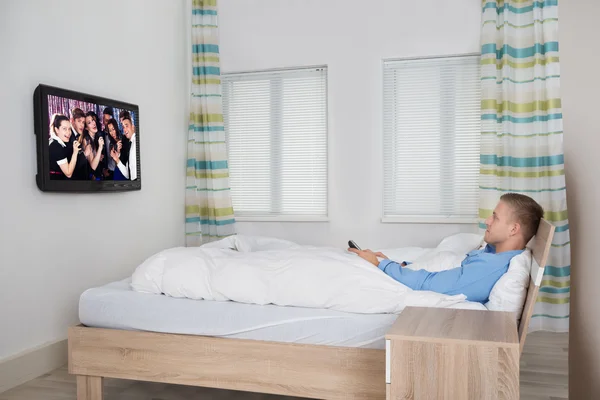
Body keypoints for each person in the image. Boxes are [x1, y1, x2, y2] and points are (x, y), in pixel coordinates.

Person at [348, 193, 544, 303]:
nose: (487, 221)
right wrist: (401, 264)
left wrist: (381, 265)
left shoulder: (490, 268)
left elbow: (428, 284)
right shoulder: (493, 253)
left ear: (513, 229)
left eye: (495, 217)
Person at [48, 114, 80, 180]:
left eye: (69, 129)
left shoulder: (55, 141)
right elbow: (68, 173)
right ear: (56, 130)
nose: (68, 132)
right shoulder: (56, 146)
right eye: (64, 129)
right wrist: (75, 152)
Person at [111, 111, 137, 180]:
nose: (125, 129)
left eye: (126, 125)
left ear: (132, 126)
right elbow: (128, 174)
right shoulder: (124, 139)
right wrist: (117, 157)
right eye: (122, 126)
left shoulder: (136, 142)